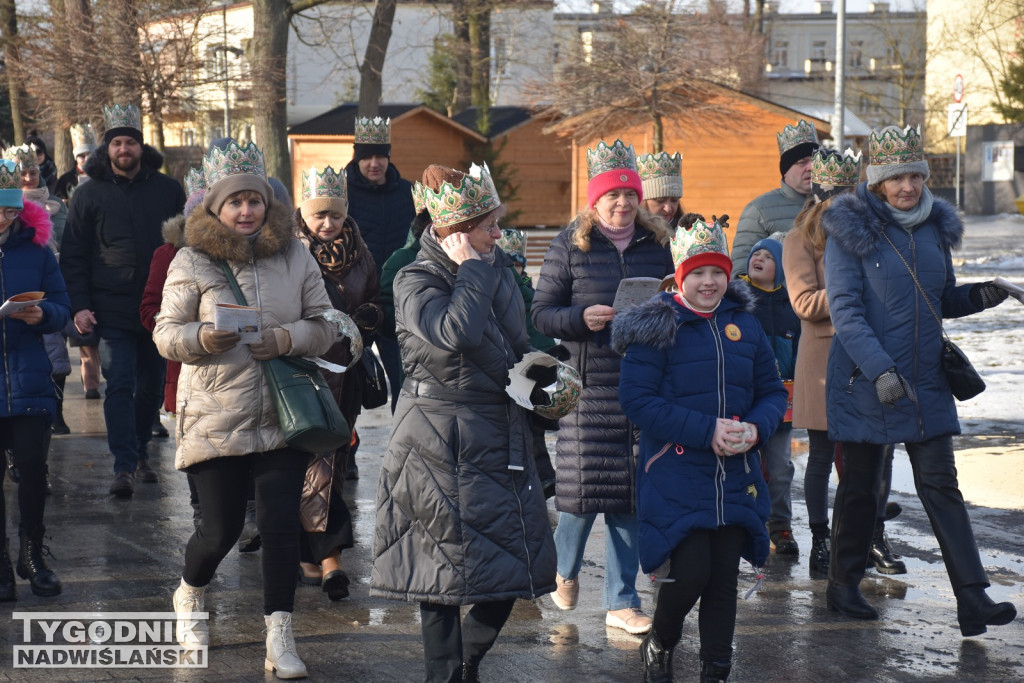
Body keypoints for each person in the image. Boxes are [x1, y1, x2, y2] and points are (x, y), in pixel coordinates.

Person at [821, 125, 1017, 635]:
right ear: (877, 180)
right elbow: (844, 310)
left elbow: (941, 299)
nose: (907, 186)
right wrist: (879, 368)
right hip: (866, 380)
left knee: (941, 485)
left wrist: (979, 296)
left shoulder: (934, 227)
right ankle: (843, 586)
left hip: (926, 379)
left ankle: (973, 600)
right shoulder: (848, 227)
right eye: (896, 177)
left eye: (914, 175)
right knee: (862, 488)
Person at [153, 140, 335, 678]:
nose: (246, 211)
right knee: (221, 530)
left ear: (267, 202)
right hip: (215, 411)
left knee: (281, 527)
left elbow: (327, 323)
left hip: (285, 414)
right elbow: (165, 332)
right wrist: (201, 337)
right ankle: (189, 593)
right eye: (235, 202)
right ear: (216, 207)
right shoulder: (191, 257)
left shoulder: (294, 254)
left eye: (254, 200)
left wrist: (285, 338)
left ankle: (280, 635)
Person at [371, 163, 556, 682]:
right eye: (489, 226)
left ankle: (465, 660)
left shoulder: (496, 269)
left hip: (501, 432)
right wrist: (472, 271)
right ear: (455, 233)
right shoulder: (414, 278)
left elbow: (517, 345)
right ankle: (445, 673)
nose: (499, 234)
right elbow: (452, 333)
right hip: (437, 439)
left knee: (515, 566)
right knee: (440, 570)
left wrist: (550, 378)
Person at [614, 217, 788, 683]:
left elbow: (773, 392)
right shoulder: (656, 326)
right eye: (698, 273)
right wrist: (704, 429)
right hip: (676, 473)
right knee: (691, 572)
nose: (709, 282)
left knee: (723, 579)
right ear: (680, 276)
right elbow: (637, 400)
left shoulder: (745, 326)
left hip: (737, 474)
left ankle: (716, 669)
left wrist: (756, 428)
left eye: (717, 271)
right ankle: (663, 639)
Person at [532, 139, 673, 635]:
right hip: (587, 386)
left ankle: (622, 600)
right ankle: (565, 570)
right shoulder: (570, 244)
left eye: (630, 196)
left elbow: (676, 301)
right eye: (613, 197)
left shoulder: (657, 245)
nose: (622, 204)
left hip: (642, 383)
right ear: (594, 202)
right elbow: (542, 312)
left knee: (629, 497)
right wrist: (580, 317)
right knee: (580, 493)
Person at [783, 146, 905, 579]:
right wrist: (853, 297)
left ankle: (871, 535)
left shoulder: (871, 231)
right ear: (818, 196)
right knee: (820, 455)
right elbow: (802, 302)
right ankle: (820, 539)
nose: (842, 204)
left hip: (869, 352)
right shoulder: (799, 239)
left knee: (879, 451)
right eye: (832, 196)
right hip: (823, 357)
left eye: (847, 195)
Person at [59, 104, 186, 497]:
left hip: (159, 305)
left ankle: (142, 449)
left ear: (140, 146)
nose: (124, 149)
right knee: (119, 384)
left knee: (149, 386)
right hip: (109, 305)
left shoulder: (166, 189)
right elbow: (75, 253)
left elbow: (185, 246)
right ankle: (124, 465)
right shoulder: (90, 194)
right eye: (117, 142)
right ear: (107, 149)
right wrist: (79, 305)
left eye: (130, 141)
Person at [295, 164, 382, 599]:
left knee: (333, 462)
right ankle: (327, 556)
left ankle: (315, 555)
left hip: (344, 373)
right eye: (319, 216)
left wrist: (366, 320)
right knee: (312, 463)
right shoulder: (288, 253)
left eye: (335, 215)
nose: (328, 224)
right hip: (300, 372)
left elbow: (374, 299)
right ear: (303, 215)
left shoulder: (361, 254)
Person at [0, 159, 72, 601]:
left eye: (9, 211)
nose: (2, 219)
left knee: (31, 468)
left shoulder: (36, 251)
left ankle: (32, 554)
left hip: (28, 378)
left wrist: (44, 313)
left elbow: (63, 307)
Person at [345, 116, 416, 412]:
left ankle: (406, 444)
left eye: (380, 156)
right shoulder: (342, 191)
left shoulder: (407, 192)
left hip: (395, 300)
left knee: (404, 377)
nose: (374, 163)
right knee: (347, 382)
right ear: (357, 158)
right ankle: (345, 456)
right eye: (367, 157)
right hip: (354, 298)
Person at [739, 234, 800, 557]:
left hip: (783, 405)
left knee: (779, 468)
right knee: (747, 467)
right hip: (747, 402)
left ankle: (780, 525)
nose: (759, 258)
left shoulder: (792, 304)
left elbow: (803, 350)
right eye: (755, 253)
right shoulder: (739, 300)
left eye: (768, 256)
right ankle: (748, 523)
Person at [496, 226, 558, 498]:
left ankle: (543, 476)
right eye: (510, 264)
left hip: (531, 366)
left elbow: (539, 331)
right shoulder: (502, 290)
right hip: (511, 366)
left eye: (518, 265)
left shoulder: (528, 293)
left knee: (533, 427)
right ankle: (537, 476)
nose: (515, 270)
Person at [731, 120, 819, 277]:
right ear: (786, 170)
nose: (811, 167)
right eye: (802, 162)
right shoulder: (758, 211)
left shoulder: (832, 204)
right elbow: (741, 270)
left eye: (815, 160)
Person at [636, 151, 684, 226]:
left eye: (674, 200)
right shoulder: (632, 235)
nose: (668, 209)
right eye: (660, 201)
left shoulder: (687, 235)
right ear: (642, 201)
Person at [55, 122, 98, 202]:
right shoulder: (65, 180)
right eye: (82, 156)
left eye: (90, 154)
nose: (87, 159)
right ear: (76, 157)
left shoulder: (104, 176)